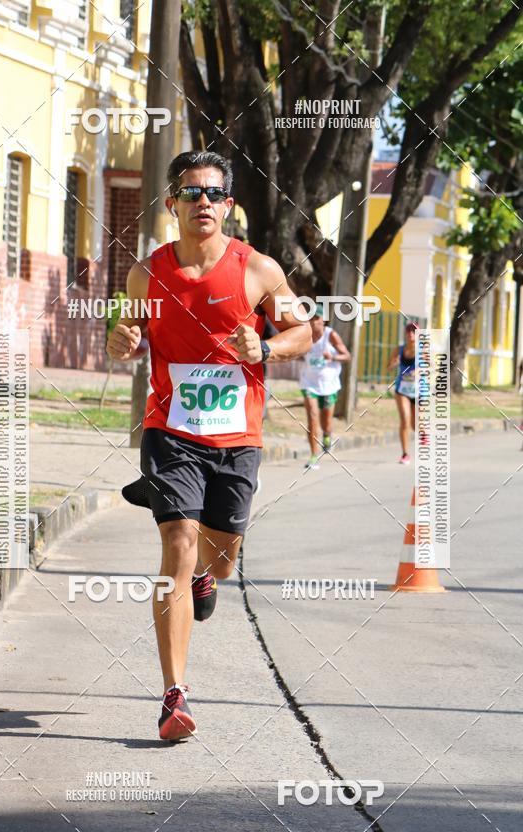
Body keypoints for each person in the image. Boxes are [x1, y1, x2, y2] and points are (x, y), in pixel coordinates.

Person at [107, 150, 311, 741]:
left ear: (228, 205)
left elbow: (301, 329)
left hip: (237, 440)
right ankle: (174, 695)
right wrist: (122, 340)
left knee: (219, 560)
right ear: (171, 203)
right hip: (170, 431)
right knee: (178, 543)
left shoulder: (258, 271)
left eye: (215, 193)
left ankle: (207, 576)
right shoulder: (147, 274)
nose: (204, 202)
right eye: (192, 192)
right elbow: (129, 332)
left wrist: (267, 350)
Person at [298, 308, 350, 468]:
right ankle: (314, 455)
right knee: (312, 416)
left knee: (326, 422)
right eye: (310, 318)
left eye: (316, 318)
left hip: (328, 385)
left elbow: (347, 356)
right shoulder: (304, 336)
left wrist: (333, 357)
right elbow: (296, 353)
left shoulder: (331, 335)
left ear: (323, 321)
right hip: (309, 384)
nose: (313, 322)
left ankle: (327, 435)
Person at [387, 321, 418, 464]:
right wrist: (395, 363)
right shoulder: (399, 350)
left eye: (414, 331)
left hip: (419, 391)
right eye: (408, 331)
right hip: (402, 391)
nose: (411, 334)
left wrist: (422, 371)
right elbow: (388, 367)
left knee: (416, 425)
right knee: (405, 420)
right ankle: (405, 454)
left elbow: (434, 367)